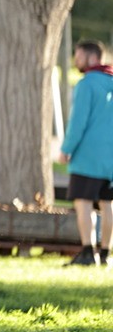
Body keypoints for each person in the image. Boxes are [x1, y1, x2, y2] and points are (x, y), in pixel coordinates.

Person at [59, 40, 113, 266]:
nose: (76, 61)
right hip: (110, 159)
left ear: (92, 57)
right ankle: (106, 253)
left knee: (83, 203)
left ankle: (87, 252)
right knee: (108, 204)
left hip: (88, 157)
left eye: (78, 56)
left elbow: (78, 122)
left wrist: (66, 149)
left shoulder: (87, 84)